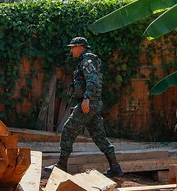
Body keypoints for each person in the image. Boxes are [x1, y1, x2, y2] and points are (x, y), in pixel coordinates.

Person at [43, 36, 123, 178]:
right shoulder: (85, 60)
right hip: (93, 103)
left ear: (80, 47)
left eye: (73, 47)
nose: (71, 50)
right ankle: (115, 167)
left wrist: (86, 99)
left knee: (68, 130)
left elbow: (93, 80)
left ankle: (61, 165)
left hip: (89, 103)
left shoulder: (87, 61)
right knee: (99, 136)